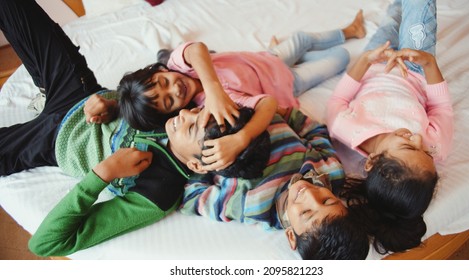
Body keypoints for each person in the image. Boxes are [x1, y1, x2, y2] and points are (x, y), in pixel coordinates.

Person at [0, 0, 268, 256]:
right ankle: (48, 90)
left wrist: (103, 174)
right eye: (196, 111)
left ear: (198, 166)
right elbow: (179, 67)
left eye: (190, 126)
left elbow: (45, 244)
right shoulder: (181, 111)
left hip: (52, 142)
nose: (185, 112)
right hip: (79, 91)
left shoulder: (159, 191)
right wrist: (110, 103)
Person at [116, 10, 366, 171]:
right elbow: (266, 103)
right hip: (288, 82)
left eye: (163, 82)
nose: (174, 88)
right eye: (169, 101)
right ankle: (313, 54)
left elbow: (197, 49)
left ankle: (351, 30)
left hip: (266, 58)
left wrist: (214, 89)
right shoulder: (209, 110)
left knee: (302, 38)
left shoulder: (179, 64)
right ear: (174, 112)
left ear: (159, 71)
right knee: (341, 57)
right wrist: (242, 137)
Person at [325, 0, 453, 254]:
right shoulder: (437, 148)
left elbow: (337, 101)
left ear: (371, 161)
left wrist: (364, 60)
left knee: (392, 20)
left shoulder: (349, 131)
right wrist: (429, 64)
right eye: (425, 152)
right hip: (415, 70)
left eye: (407, 145)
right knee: (420, 7)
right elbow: (442, 109)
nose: (418, 139)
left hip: (374, 63)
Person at [181, 108, 370, 260]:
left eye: (306, 213)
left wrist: (203, 165)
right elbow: (316, 131)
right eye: (328, 201)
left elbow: (192, 197)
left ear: (290, 235)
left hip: (206, 127)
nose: (309, 194)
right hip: (258, 108)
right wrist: (281, 113)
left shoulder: (252, 204)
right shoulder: (332, 172)